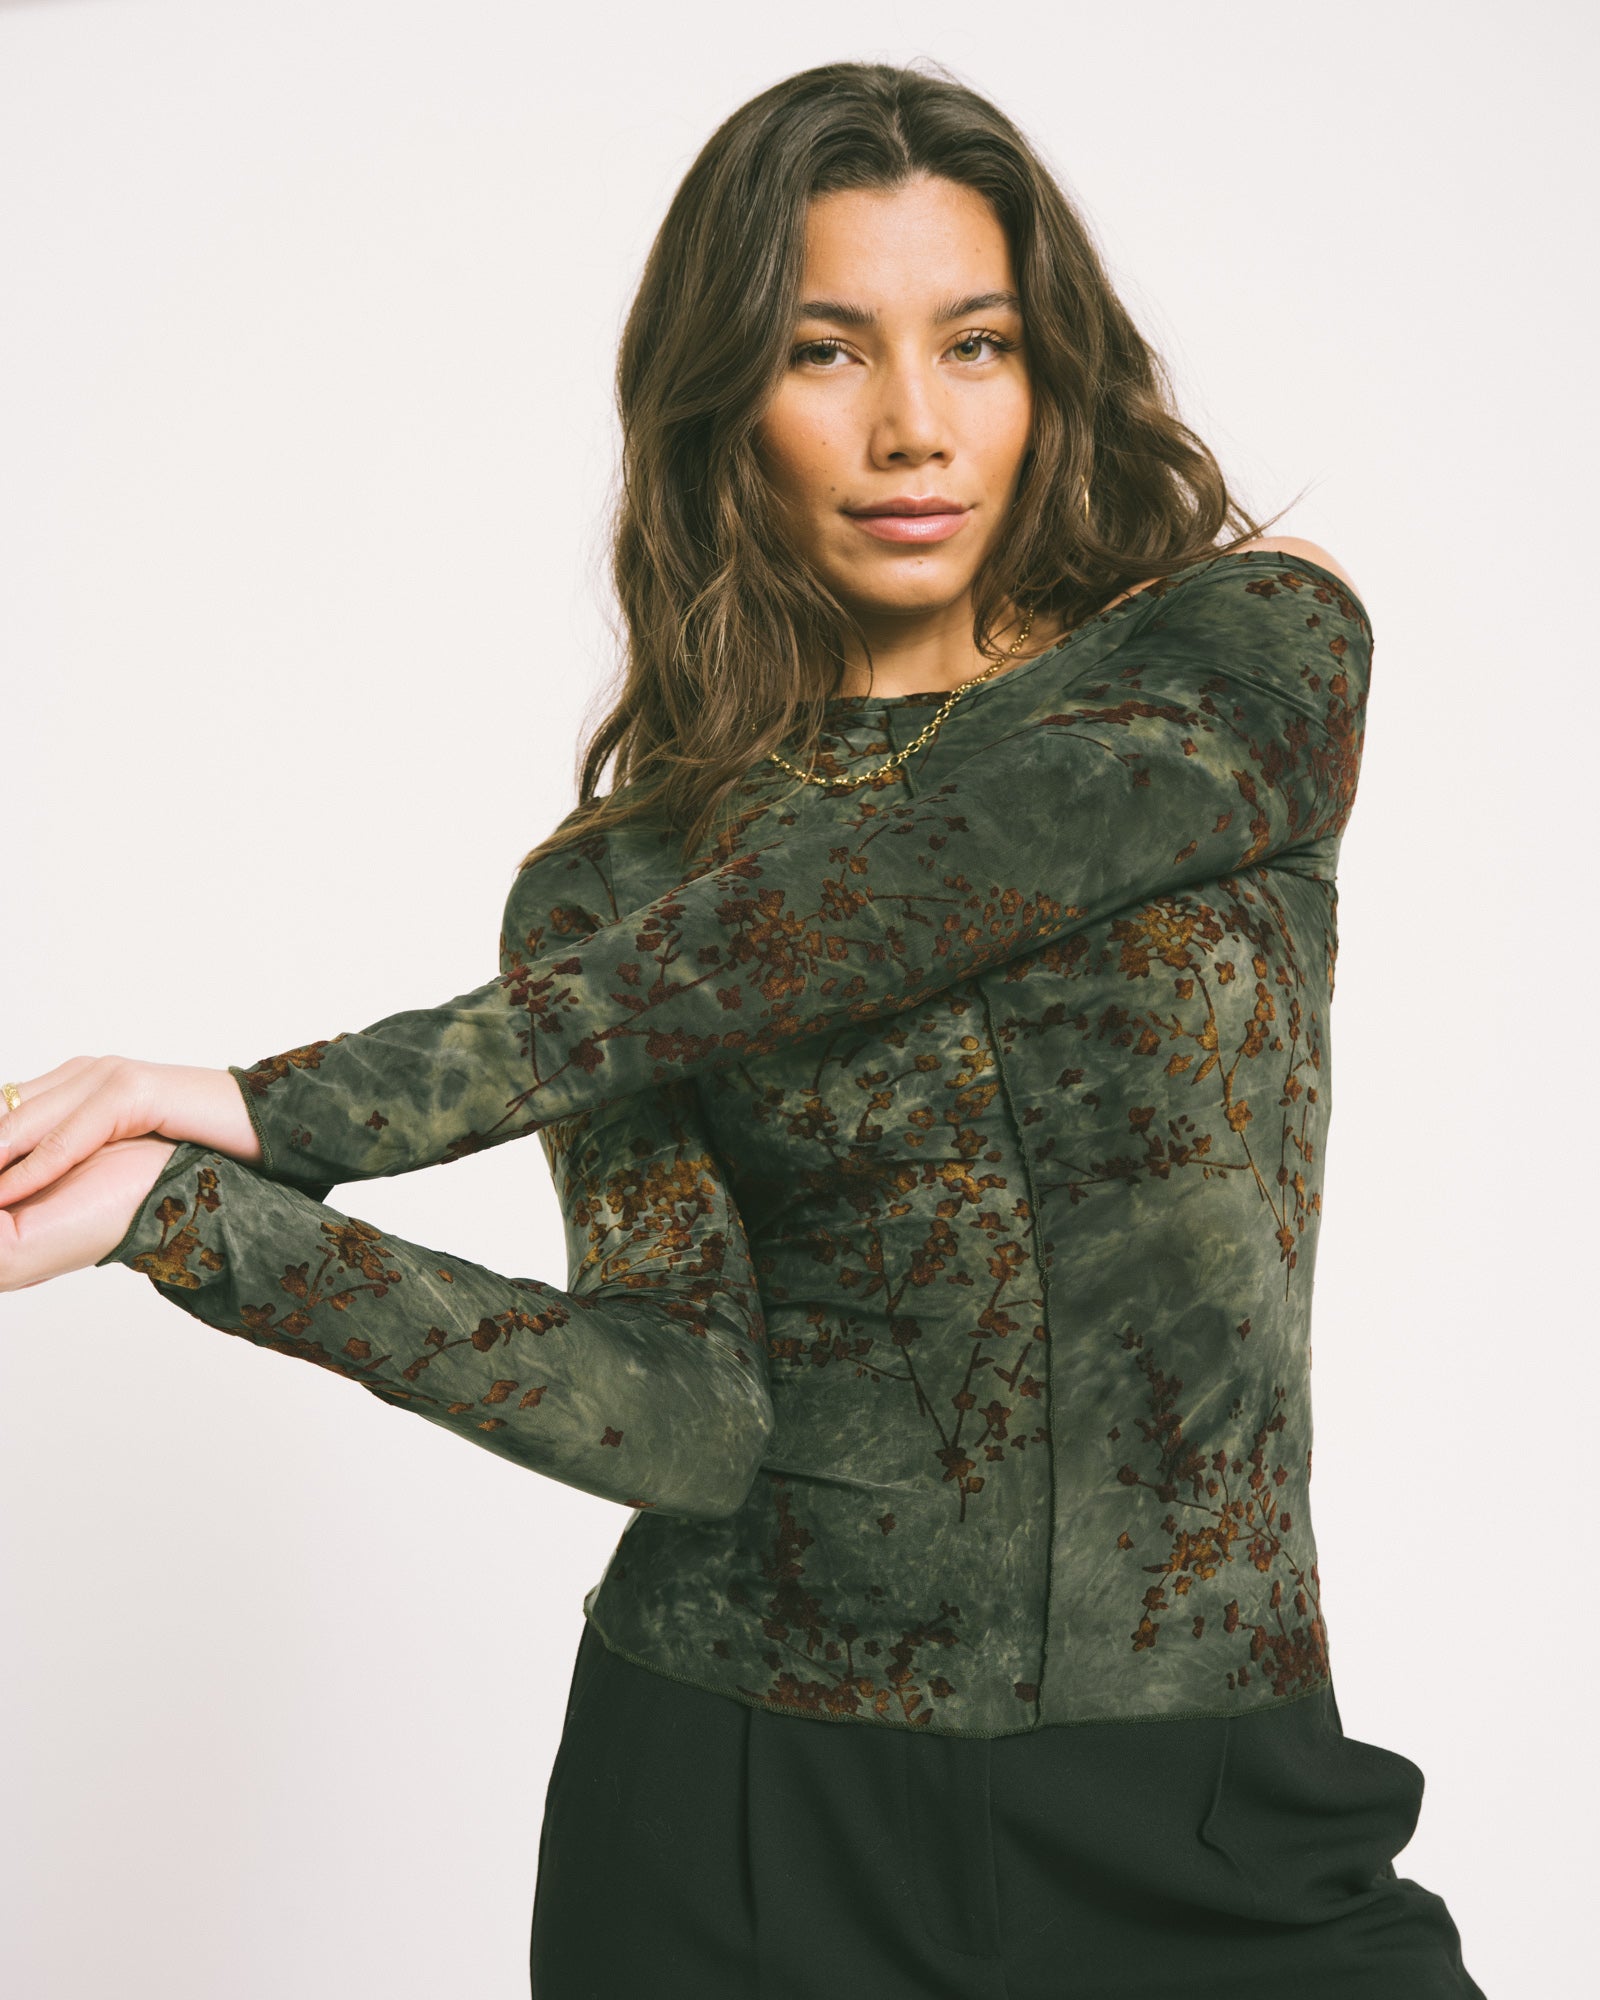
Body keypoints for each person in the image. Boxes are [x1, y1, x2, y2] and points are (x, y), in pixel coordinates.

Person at [0, 59, 1485, 2000]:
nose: (910, 423)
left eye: (975, 344)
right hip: (733, 1816)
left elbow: (923, 881)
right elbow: (685, 1420)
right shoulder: (618, 882)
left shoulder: (1244, 653)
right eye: (822, 350)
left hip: (1206, 1807)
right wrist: (182, 1216)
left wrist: (296, 1107)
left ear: (1052, 376)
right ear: (726, 401)